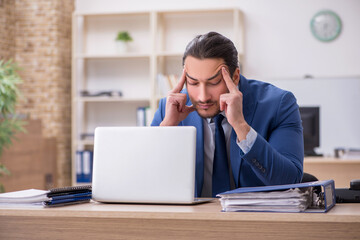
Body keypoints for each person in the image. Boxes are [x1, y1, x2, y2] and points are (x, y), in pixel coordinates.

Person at [151, 32, 304, 197]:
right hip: (191, 218)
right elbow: (145, 177)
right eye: (193, 82)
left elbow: (290, 181)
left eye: (214, 82)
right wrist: (166, 130)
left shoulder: (279, 104)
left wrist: (240, 126)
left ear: (235, 76)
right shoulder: (170, 108)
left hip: (252, 219)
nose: (202, 96)